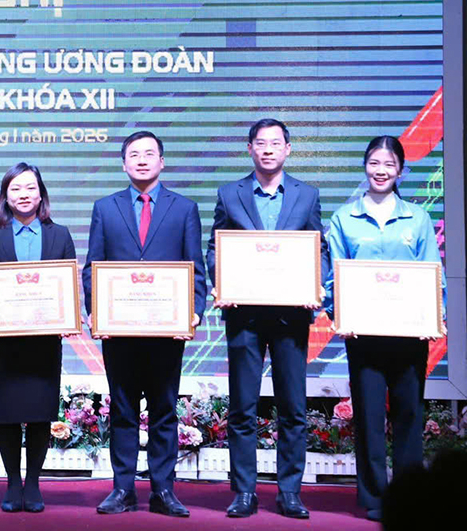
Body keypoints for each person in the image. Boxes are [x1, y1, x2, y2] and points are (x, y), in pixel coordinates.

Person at [206, 118, 328, 519]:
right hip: (244, 316)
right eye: (261, 143)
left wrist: (316, 285)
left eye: (276, 143)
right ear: (250, 149)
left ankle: (290, 492)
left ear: (288, 149)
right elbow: (215, 247)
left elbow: (319, 249)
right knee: (243, 407)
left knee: (293, 407)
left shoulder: (307, 195)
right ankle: (244, 491)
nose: (269, 149)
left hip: (292, 316)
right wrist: (221, 282)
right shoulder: (230, 194)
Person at [82, 131, 206, 517]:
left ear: (162, 162)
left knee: (164, 410)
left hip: (166, 330)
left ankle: (163, 490)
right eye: (133, 154)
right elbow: (93, 267)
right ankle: (122, 489)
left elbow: (195, 268)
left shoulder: (184, 209)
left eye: (149, 154)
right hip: (119, 329)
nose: (141, 160)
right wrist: (95, 309)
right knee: (122, 409)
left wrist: (195, 310)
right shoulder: (105, 208)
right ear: (123, 164)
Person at [324, 135, 446, 522]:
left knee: (409, 413)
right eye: (374, 163)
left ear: (400, 170)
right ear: (365, 166)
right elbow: (333, 276)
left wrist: (435, 316)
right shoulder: (344, 219)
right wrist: (339, 315)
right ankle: (375, 496)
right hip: (363, 336)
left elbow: (433, 272)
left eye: (389, 164)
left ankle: (409, 494)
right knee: (369, 416)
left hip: (410, 334)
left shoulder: (418, 218)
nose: (381, 170)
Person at [0, 162, 76, 513]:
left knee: (40, 413)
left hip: (45, 342)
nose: (24, 195)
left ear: (41, 194)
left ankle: (33, 483)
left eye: (30, 188)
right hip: (5, 342)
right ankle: (12, 482)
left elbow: (67, 286)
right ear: (5, 196)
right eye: (15, 189)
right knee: (7, 414)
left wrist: (67, 315)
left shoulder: (59, 234)